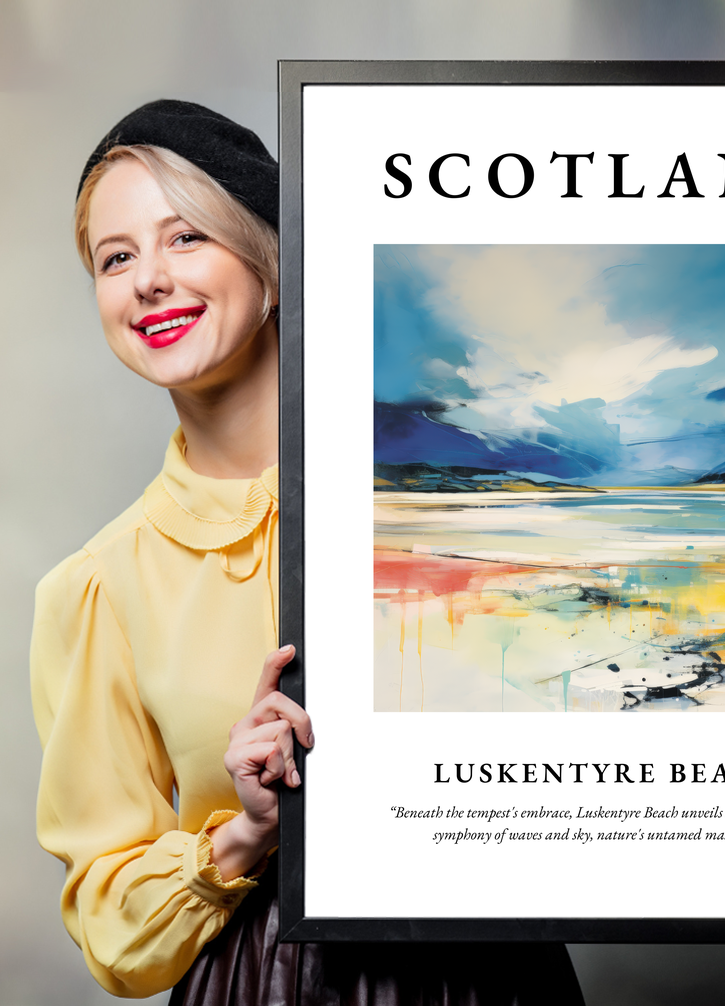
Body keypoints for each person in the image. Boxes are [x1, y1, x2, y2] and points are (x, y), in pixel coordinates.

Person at [30, 100, 585, 1004]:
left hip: (492, 973)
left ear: (274, 264)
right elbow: (110, 924)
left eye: (186, 239)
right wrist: (245, 832)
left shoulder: (445, 505)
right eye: (116, 257)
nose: (148, 281)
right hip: (263, 981)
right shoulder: (97, 587)